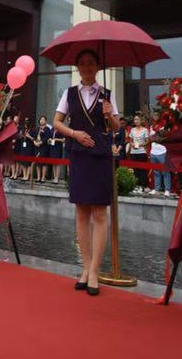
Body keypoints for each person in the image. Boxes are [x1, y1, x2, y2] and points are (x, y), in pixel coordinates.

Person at [53, 49, 120, 296]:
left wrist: (109, 115)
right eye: (82, 63)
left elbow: (116, 127)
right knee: (81, 212)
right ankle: (84, 267)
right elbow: (57, 122)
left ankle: (94, 271)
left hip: (100, 156)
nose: (87, 67)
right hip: (79, 155)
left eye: (91, 63)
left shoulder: (108, 95)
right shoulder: (69, 93)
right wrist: (74, 134)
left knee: (100, 213)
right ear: (77, 67)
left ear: (98, 67)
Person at [149, 111, 171, 196]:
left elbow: (162, 137)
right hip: (153, 151)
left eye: (157, 115)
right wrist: (155, 137)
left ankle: (167, 189)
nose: (155, 116)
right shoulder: (151, 126)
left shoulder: (163, 125)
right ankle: (156, 188)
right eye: (154, 115)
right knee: (156, 171)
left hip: (162, 151)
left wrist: (155, 137)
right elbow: (151, 138)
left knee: (165, 171)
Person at [127, 115, 149, 193]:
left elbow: (147, 141)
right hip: (133, 152)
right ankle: (136, 185)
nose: (136, 121)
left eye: (137, 119)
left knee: (142, 169)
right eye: (135, 119)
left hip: (142, 151)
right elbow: (130, 140)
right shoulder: (132, 130)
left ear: (141, 120)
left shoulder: (145, 130)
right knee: (135, 169)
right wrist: (132, 144)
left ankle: (143, 186)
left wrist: (141, 144)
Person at [33, 115, 51, 182]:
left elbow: (46, 138)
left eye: (43, 119)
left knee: (43, 163)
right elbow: (34, 137)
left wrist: (40, 143)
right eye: (41, 119)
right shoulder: (37, 128)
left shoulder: (47, 129)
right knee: (37, 162)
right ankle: (38, 177)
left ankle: (43, 177)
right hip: (37, 147)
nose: (41, 121)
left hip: (44, 147)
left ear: (46, 121)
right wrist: (35, 142)